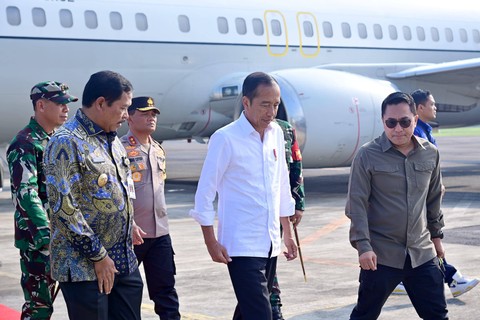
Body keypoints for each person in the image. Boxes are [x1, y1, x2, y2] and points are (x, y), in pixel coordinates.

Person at [189, 71, 297, 319]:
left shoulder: (276, 134)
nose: (271, 112)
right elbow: (205, 192)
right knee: (261, 314)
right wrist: (210, 241)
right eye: (265, 105)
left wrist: (287, 233)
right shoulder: (225, 138)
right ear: (246, 102)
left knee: (249, 312)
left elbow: (281, 184)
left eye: (276, 105)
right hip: (240, 245)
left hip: (269, 242)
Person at [43, 70, 143, 320]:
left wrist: (129, 223)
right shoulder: (66, 141)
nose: (126, 115)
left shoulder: (112, 138)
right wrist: (98, 256)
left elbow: (121, 185)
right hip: (85, 267)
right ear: (100, 103)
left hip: (123, 258)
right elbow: (63, 208)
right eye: (122, 108)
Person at [345, 92, 448, 319]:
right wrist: (363, 246)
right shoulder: (366, 155)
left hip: (421, 253)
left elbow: (433, 200)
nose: (398, 129)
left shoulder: (430, 154)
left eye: (404, 122)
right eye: (391, 123)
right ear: (383, 122)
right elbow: (357, 205)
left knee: (437, 314)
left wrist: (437, 239)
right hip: (380, 255)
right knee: (365, 315)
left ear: (415, 118)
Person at [393, 89, 479, 297]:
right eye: (432, 104)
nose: (435, 108)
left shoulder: (425, 131)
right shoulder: (417, 134)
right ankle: (451, 277)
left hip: (421, 198)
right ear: (420, 108)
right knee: (429, 241)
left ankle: (403, 278)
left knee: (421, 242)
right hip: (417, 199)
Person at [7, 81, 77, 319]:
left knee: (82, 300)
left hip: (66, 235)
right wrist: (46, 237)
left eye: (67, 104)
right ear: (41, 105)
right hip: (40, 242)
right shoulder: (25, 143)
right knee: (39, 307)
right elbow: (26, 193)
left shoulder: (58, 139)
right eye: (60, 103)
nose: (66, 109)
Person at [120, 96, 181, 319]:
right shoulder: (119, 149)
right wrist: (129, 222)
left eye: (153, 114)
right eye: (145, 113)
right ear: (129, 116)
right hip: (131, 234)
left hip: (160, 234)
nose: (151, 118)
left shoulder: (158, 149)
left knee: (165, 291)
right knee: (128, 294)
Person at [270, 118, 305, 320]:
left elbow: (295, 167)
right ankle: (273, 304)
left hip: (280, 206)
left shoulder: (285, 130)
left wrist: (298, 203)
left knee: (271, 256)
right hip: (257, 209)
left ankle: (272, 303)